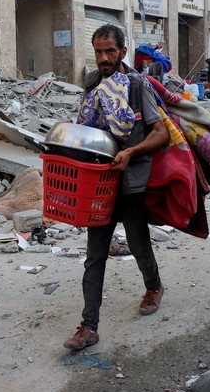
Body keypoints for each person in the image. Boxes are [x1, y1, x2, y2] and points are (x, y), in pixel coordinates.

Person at [64, 24, 169, 351]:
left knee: (138, 243)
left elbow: (160, 132)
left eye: (110, 51)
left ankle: (154, 286)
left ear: (123, 51)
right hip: (98, 185)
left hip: (132, 181)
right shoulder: (92, 83)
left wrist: (130, 152)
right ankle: (89, 326)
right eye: (98, 52)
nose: (104, 58)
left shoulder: (137, 86)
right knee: (95, 256)